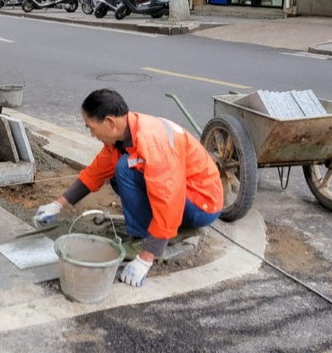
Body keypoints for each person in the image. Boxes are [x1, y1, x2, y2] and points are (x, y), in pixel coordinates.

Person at [34, 88, 224, 288]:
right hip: (183, 194)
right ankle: (153, 231)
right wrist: (58, 204)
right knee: (119, 171)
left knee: (124, 168)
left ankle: (145, 240)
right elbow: (95, 173)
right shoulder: (123, 135)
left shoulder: (153, 144)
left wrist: (146, 259)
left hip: (202, 204)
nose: (91, 134)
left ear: (109, 122)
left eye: (91, 127)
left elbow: (169, 201)